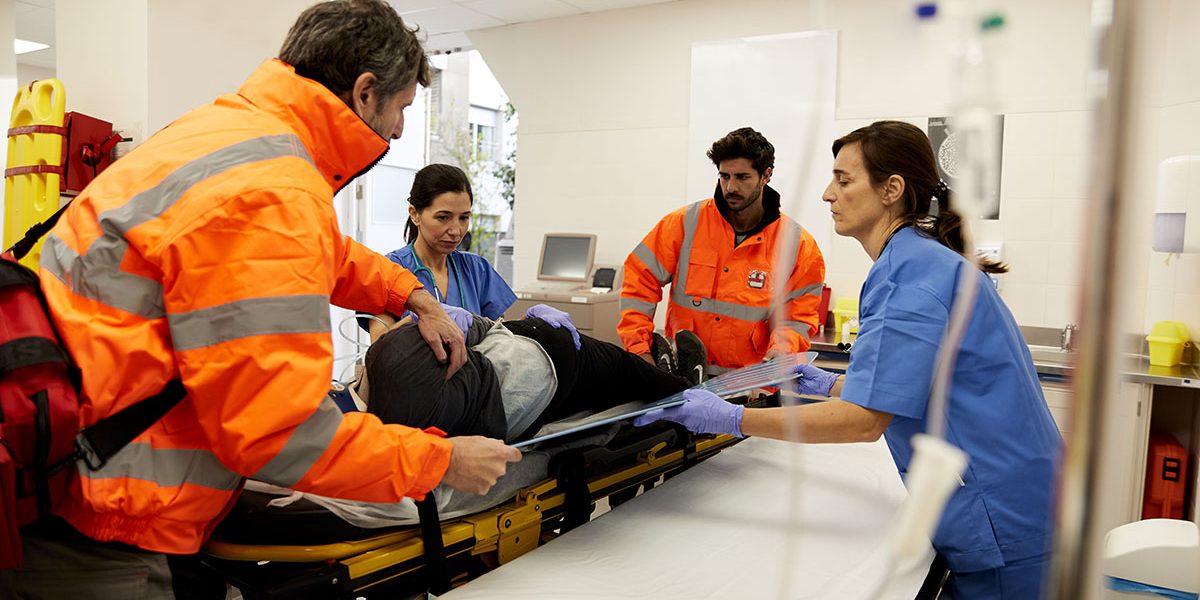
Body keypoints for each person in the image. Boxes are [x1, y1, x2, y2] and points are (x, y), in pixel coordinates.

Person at [5, 2, 519, 598]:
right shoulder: (271, 189)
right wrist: (441, 461)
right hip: (106, 519)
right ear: (365, 91)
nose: (401, 129)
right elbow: (279, 432)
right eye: (401, 108)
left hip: (66, 461)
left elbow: (325, 252)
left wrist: (412, 297)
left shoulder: (227, 136)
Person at [635, 121, 1062, 599]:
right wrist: (826, 384)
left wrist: (730, 417)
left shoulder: (906, 276)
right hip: (1022, 500)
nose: (826, 194)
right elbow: (911, 388)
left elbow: (864, 420)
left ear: (891, 190)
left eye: (843, 180)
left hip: (1006, 519)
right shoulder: (921, 261)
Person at [618, 127, 826, 382]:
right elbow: (639, 279)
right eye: (724, 176)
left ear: (766, 176)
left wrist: (779, 355)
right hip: (684, 382)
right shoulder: (685, 223)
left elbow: (797, 318)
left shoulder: (797, 245)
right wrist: (639, 349)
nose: (731, 187)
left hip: (750, 389)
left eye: (742, 177)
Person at [365, 304, 693, 443]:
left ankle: (681, 381)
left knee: (633, 376)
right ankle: (683, 382)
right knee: (632, 376)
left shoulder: (385, 365)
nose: (455, 229)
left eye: (463, 218)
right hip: (541, 361)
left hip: (529, 354)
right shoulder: (383, 357)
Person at [366, 164, 516, 341]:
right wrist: (419, 317)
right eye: (443, 217)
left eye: (464, 218)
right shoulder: (389, 271)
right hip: (414, 369)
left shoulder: (477, 270)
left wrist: (534, 324)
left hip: (475, 368)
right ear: (415, 214)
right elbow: (379, 344)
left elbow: (501, 336)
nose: (456, 230)